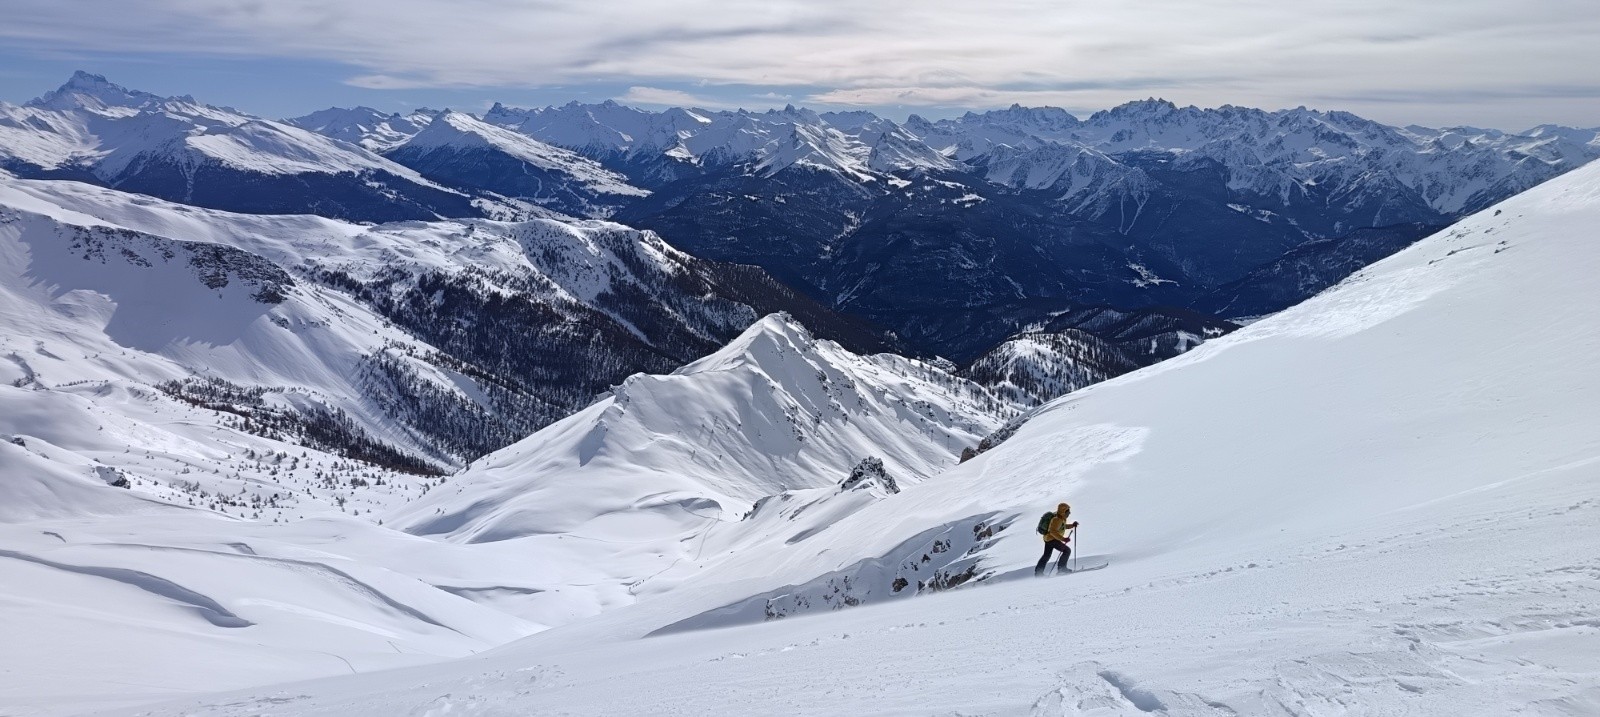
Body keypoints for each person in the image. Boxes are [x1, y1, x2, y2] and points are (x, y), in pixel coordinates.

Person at [1035, 502, 1079, 576]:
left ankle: (1038, 573)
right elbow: (1053, 532)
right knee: (1067, 550)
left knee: (1046, 556)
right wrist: (1063, 539)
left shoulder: (1060, 518)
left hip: (1048, 539)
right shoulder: (1057, 519)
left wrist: (1072, 525)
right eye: (1068, 511)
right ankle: (1062, 569)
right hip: (1052, 539)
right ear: (1064, 511)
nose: (1069, 513)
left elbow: (1062, 526)